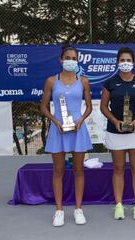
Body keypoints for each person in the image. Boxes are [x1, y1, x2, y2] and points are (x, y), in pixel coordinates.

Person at [41, 46, 93, 227]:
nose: (71, 60)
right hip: (58, 130)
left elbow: (89, 107)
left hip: (78, 130)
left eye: (74, 58)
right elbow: (44, 107)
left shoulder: (84, 81)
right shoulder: (51, 81)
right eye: (67, 57)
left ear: (77, 61)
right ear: (61, 60)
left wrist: (81, 120)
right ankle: (59, 211)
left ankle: (78, 209)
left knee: (79, 170)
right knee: (58, 171)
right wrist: (55, 122)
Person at [100, 47, 135, 220]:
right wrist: (115, 121)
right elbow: (103, 107)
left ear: (133, 63)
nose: (125, 63)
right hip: (116, 132)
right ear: (117, 62)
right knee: (118, 169)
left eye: (128, 60)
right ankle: (119, 205)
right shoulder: (110, 83)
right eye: (122, 60)